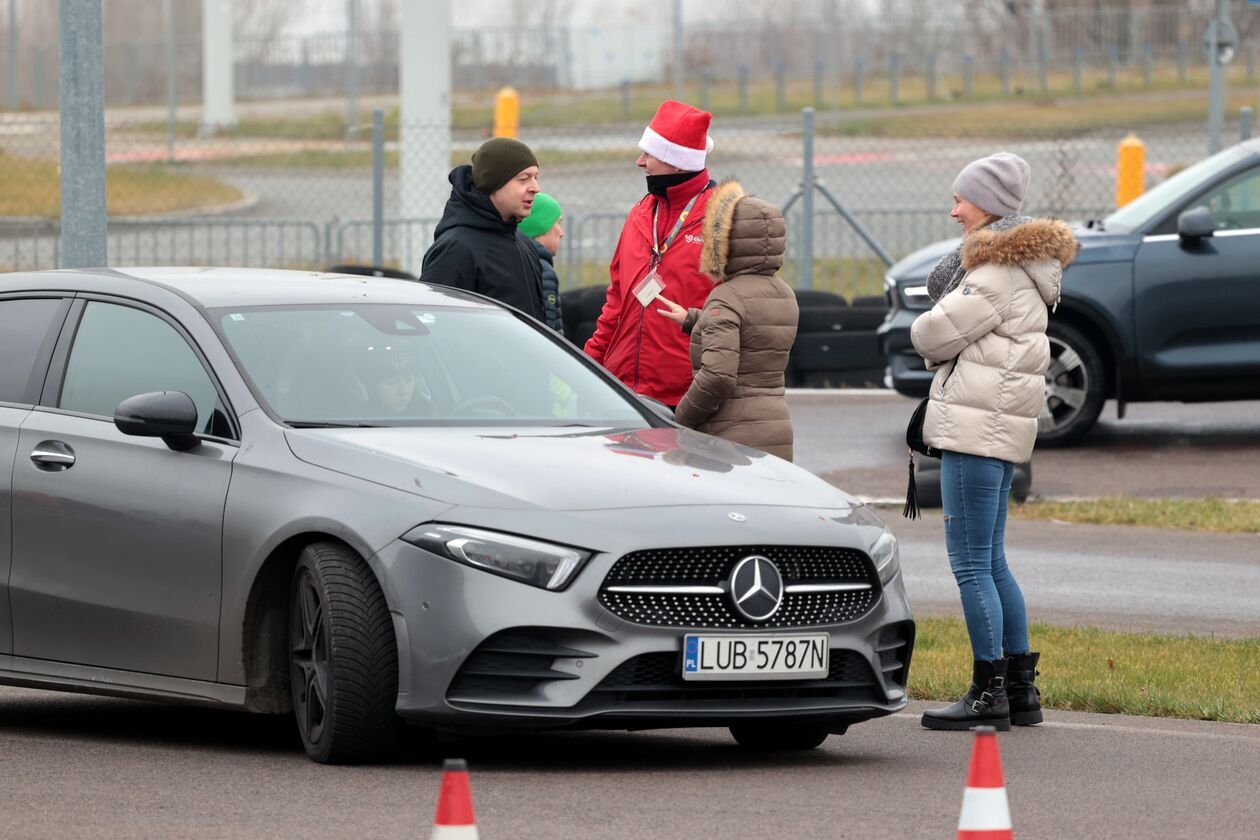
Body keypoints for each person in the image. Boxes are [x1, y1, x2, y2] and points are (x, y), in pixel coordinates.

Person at [911, 152, 1078, 731]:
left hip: (976, 431)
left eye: (962, 199)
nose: (953, 209)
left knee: (969, 564)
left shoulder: (993, 274)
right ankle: (1021, 689)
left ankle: (989, 693)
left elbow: (930, 332)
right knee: (993, 560)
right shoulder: (1023, 267)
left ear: (989, 205)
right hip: (1000, 429)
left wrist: (937, 316)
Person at [583, 100, 718, 408]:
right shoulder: (640, 213)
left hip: (686, 398)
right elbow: (615, 302)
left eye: (650, 154)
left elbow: (734, 316)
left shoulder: (723, 220)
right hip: (623, 393)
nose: (639, 162)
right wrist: (590, 365)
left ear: (677, 161)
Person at [655, 180, 798, 460]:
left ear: (726, 242)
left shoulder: (726, 297)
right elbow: (754, 338)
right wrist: (694, 320)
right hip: (776, 429)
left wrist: (679, 422)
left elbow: (718, 377)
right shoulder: (783, 293)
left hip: (732, 437)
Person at [420, 137, 546, 321]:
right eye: (523, 179)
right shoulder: (456, 248)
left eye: (536, 177)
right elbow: (432, 323)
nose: (535, 188)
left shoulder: (523, 243)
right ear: (493, 183)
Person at [519, 192, 566, 334]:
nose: (561, 232)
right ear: (541, 226)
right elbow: (549, 330)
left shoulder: (521, 259)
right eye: (558, 223)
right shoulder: (542, 269)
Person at [354, 345, 434, 418]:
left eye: (409, 380)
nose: (403, 391)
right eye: (391, 382)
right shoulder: (356, 421)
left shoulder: (431, 419)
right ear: (371, 385)